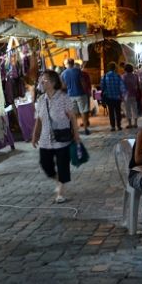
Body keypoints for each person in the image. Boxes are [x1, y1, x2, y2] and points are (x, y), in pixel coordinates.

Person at [31, 70, 82, 204]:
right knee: (45, 164)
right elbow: (38, 120)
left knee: (62, 165)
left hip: (62, 140)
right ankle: (59, 179)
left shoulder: (64, 98)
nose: (42, 82)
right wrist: (35, 135)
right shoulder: (41, 100)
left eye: (45, 80)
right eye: (41, 80)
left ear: (53, 82)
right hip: (45, 140)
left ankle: (60, 192)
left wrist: (76, 135)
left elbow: (72, 117)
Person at [60, 58, 90, 135]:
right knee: (83, 111)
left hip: (70, 95)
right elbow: (82, 82)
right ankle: (86, 129)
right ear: (73, 63)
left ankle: (75, 130)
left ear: (67, 64)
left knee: (74, 114)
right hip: (81, 94)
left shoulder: (63, 73)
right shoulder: (78, 71)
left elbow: (63, 86)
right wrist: (86, 91)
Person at [100, 62, 126, 131]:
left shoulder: (105, 76)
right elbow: (122, 87)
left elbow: (102, 87)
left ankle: (113, 126)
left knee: (111, 112)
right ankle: (119, 125)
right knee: (118, 112)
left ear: (109, 68)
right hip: (117, 97)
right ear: (115, 68)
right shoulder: (118, 76)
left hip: (109, 97)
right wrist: (123, 95)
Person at [122, 64, 140, 128]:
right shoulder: (135, 76)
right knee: (135, 108)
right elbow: (138, 85)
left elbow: (122, 86)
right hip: (134, 94)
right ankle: (135, 123)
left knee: (128, 109)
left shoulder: (124, 76)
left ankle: (130, 124)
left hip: (126, 95)